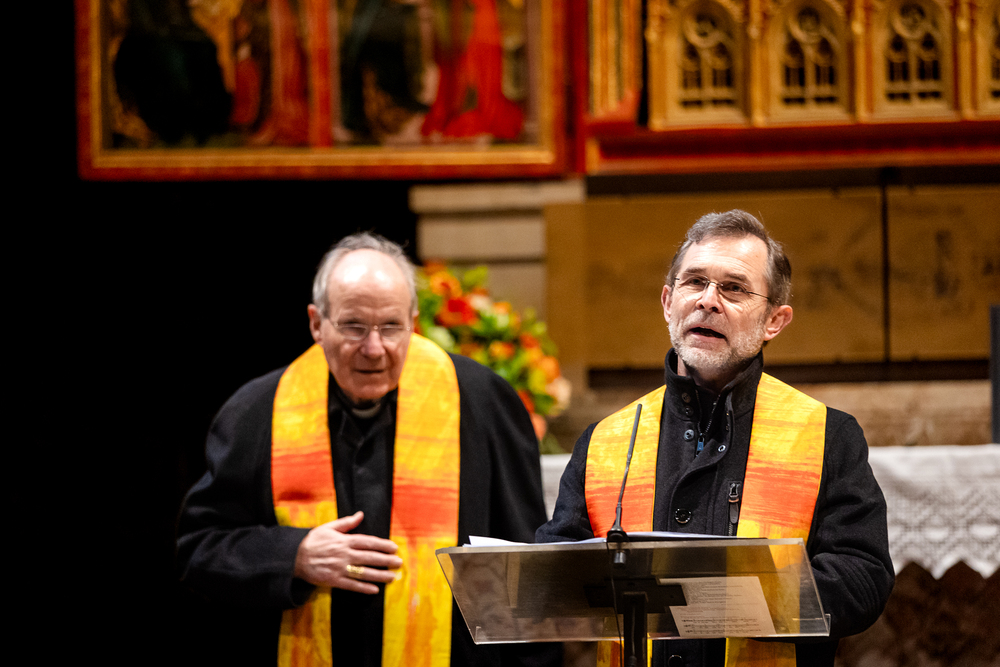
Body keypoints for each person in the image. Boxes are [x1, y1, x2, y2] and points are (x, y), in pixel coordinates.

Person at [177, 232, 557, 667]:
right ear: (316, 323)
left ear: (413, 322)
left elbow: (528, 577)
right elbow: (199, 549)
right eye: (353, 327)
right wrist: (292, 556)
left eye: (391, 327)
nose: (374, 349)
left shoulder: (482, 403)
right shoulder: (257, 412)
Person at [536, 210, 894, 667]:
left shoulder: (826, 435)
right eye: (694, 282)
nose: (708, 301)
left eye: (734, 288)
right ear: (668, 301)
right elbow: (550, 577)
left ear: (774, 321)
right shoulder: (605, 440)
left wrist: (725, 598)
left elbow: (863, 580)